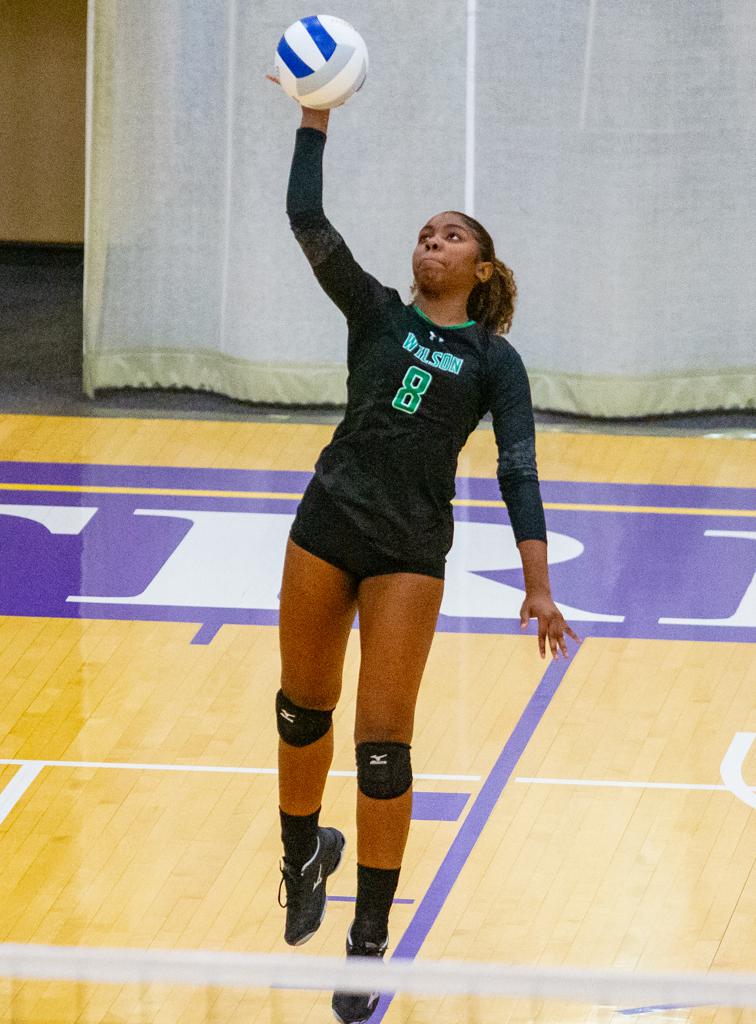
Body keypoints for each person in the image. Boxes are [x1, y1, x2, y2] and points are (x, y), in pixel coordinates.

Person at [269, 83, 580, 1024]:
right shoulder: (376, 315)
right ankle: (299, 855)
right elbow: (305, 216)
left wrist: (538, 583)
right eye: (425, 232)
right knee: (299, 712)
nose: (430, 242)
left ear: (482, 269)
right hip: (328, 521)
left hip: (409, 546)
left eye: (450, 236)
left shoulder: (494, 361)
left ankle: (367, 948)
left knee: (380, 749)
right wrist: (313, 116)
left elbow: (516, 469)